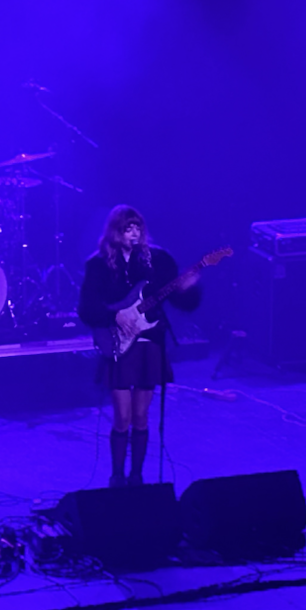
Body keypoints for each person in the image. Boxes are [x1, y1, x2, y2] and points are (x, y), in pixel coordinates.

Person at [78, 205, 201, 487]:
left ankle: (137, 477)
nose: (133, 233)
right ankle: (117, 476)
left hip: (149, 345)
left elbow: (183, 303)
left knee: (141, 416)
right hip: (119, 346)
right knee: (122, 416)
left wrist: (189, 288)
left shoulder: (159, 260)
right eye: (127, 228)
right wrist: (115, 315)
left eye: (137, 227)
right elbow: (87, 309)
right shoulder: (97, 265)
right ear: (115, 231)